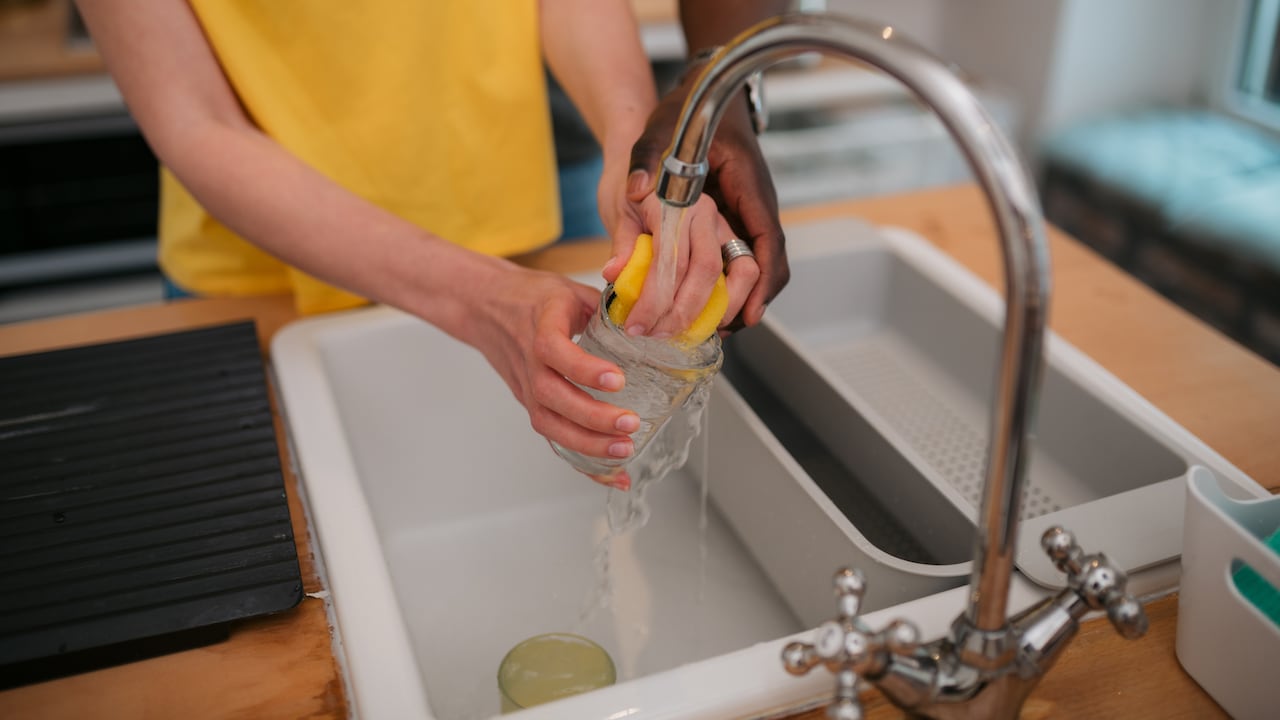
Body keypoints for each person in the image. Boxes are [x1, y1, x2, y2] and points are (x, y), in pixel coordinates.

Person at [75, 0, 789, 489]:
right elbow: (197, 121)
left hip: (516, 221)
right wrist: (481, 298)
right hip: (260, 271)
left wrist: (632, 155)